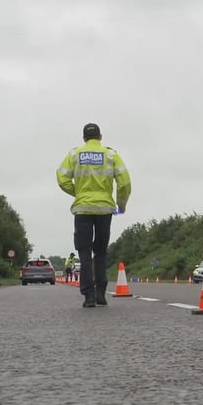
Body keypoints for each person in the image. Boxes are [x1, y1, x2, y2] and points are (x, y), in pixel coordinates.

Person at [56, 123, 131, 308]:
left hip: (82, 209)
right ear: (100, 137)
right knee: (101, 251)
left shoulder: (74, 154)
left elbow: (61, 177)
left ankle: (88, 296)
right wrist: (121, 206)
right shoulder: (111, 155)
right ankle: (101, 294)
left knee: (84, 251)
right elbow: (125, 183)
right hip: (105, 209)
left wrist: (79, 194)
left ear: (83, 138)